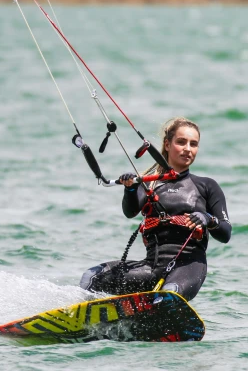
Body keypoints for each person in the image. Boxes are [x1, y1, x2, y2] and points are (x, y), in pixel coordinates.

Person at [80, 117, 231, 301]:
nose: (188, 149)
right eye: (181, 142)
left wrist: (208, 219)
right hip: (152, 267)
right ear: (167, 145)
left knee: (168, 295)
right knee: (92, 277)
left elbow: (225, 233)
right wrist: (130, 188)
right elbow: (130, 212)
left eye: (194, 144)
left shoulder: (207, 186)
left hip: (188, 266)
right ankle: (83, 321)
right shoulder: (150, 184)